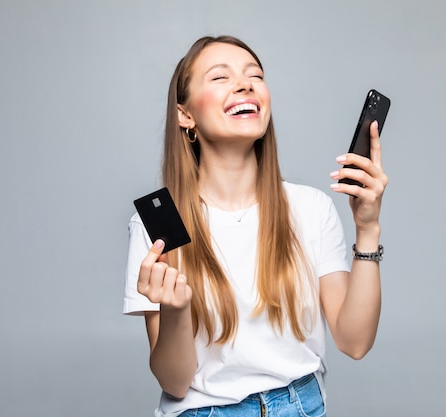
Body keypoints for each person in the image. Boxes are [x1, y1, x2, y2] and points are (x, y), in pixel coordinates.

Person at [123, 35, 388, 417]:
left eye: (255, 75)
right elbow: (175, 381)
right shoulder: (160, 221)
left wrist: (368, 228)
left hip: (302, 406)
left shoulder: (309, 208)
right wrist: (175, 309)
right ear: (185, 115)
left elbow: (355, 341)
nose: (245, 84)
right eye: (219, 78)